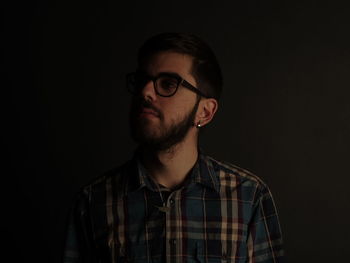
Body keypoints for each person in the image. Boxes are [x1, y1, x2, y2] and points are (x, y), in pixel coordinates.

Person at [63, 32, 284, 263]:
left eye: (167, 84)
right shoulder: (92, 202)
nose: (145, 92)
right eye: (141, 81)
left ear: (205, 112)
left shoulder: (248, 197)